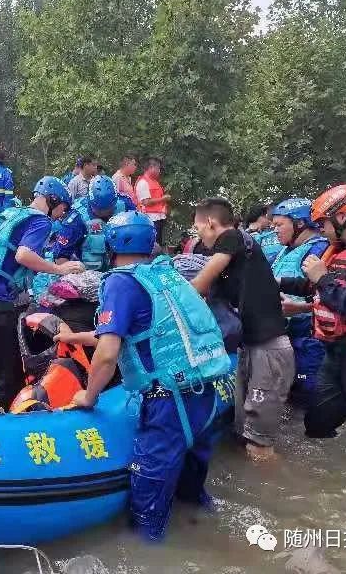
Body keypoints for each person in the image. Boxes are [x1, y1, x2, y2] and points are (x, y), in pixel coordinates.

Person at [68, 211, 230, 541]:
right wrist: (75, 337)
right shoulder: (164, 274)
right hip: (205, 394)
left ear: (111, 245)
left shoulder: (119, 282)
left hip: (169, 403)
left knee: (147, 509)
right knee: (191, 493)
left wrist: (88, 396)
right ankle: (208, 536)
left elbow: (109, 353)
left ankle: (151, 551)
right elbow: (147, 332)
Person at [278, 185, 346, 459]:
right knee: (316, 425)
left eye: (323, 223)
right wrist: (276, 282)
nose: (320, 229)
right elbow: (318, 286)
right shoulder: (342, 250)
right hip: (337, 354)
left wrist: (323, 279)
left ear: (341, 217)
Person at [0, 176, 84, 408]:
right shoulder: (40, 221)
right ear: (53, 200)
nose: (61, 215)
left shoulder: (13, 214)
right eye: (62, 208)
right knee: (11, 380)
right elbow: (23, 255)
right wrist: (59, 268)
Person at [190, 198, 294, 461]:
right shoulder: (238, 258)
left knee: (259, 446)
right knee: (243, 435)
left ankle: (276, 484)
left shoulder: (232, 237)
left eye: (198, 229)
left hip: (268, 350)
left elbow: (198, 286)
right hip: (251, 347)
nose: (199, 236)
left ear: (210, 223)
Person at [270, 199, 329, 408]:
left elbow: (330, 297)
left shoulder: (319, 250)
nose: (274, 230)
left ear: (300, 223)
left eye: (279, 224)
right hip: (287, 336)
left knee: (309, 400)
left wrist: (300, 309)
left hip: (310, 338)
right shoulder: (286, 250)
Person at [52, 175, 131, 271]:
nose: (105, 212)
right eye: (100, 210)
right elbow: (60, 257)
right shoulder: (76, 219)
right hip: (90, 273)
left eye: (108, 209)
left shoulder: (126, 205)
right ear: (90, 201)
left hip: (123, 270)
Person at [135, 157, 171, 246]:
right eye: (158, 168)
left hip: (158, 217)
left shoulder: (154, 182)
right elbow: (146, 202)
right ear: (151, 167)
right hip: (149, 219)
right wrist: (163, 199)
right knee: (152, 245)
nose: (159, 171)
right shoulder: (143, 182)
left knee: (158, 244)